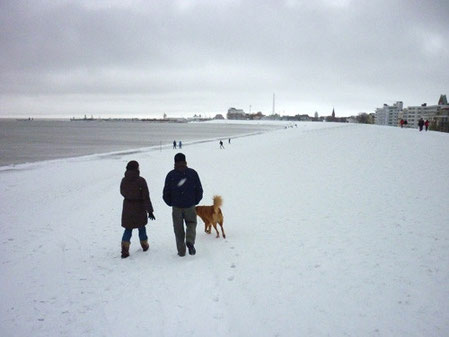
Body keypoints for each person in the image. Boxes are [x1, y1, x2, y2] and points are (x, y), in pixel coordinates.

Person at [163, 153, 203, 257]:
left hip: (177, 206)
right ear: (185, 161)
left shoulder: (171, 175)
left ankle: (181, 251)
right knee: (191, 223)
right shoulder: (192, 173)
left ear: (175, 162)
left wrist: (170, 203)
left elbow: (166, 192)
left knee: (178, 228)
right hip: (190, 205)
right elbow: (199, 190)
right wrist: (195, 201)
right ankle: (190, 241)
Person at [120, 160, 155, 258]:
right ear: (137, 168)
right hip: (139, 207)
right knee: (142, 227)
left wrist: (130, 196)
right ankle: (144, 245)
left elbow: (122, 192)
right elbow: (146, 196)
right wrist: (150, 211)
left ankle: (125, 248)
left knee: (128, 228)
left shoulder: (124, 180)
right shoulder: (141, 181)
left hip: (127, 206)